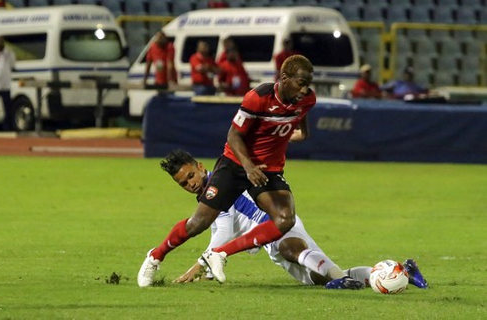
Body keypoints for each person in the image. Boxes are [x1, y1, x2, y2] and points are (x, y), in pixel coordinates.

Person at [138, 55, 325, 287]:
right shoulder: (257, 97)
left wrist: (291, 136)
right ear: (284, 78)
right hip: (236, 164)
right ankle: (155, 256)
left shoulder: (306, 99)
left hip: (268, 169)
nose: (305, 89)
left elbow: (300, 122)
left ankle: (220, 254)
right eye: (301, 82)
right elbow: (233, 135)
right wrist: (248, 166)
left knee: (285, 219)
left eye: (308, 83)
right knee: (199, 223)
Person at [158, 149, 429, 289]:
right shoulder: (209, 198)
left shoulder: (217, 188)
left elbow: (223, 234)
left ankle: (344, 278)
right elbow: (220, 231)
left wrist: (199, 266)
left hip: (277, 225)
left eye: (191, 176)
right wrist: (206, 264)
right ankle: (403, 271)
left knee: (287, 247)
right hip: (268, 238)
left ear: (200, 167)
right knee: (326, 277)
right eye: (183, 183)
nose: (191, 184)